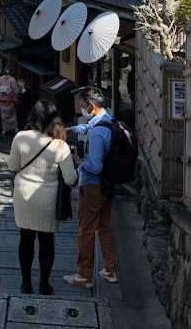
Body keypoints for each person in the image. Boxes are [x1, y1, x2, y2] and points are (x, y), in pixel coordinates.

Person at [8, 100, 78, 296]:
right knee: (47, 241)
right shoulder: (60, 145)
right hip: (48, 198)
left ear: (33, 116)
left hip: (24, 195)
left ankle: (26, 283)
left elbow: (12, 166)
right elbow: (71, 179)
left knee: (26, 238)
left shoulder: (20, 138)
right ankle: (44, 284)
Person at [63, 87, 119, 288]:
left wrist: (79, 161)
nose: (82, 109)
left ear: (91, 106)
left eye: (83, 105)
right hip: (108, 184)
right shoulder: (110, 122)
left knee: (86, 230)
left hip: (92, 185)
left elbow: (94, 166)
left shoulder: (96, 133)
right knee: (104, 226)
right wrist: (72, 130)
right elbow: (88, 127)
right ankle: (110, 270)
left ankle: (84, 276)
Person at [0, 67, 21, 135]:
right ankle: (14, 127)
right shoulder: (12, 80)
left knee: (3, 115)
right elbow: (15, 90)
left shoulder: (0, 79)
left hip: (2, 99)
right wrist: (19, 89)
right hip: (10, 99)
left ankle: (5, 129)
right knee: (12, 114)